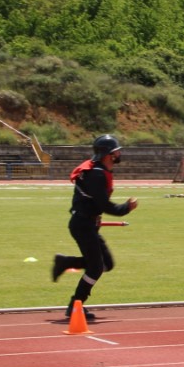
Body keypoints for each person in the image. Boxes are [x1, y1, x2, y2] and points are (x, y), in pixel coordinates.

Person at [51, 135, 137, 319]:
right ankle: (75, 305)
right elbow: (105, 205)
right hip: (83, 224)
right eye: (116, 151)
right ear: (108, 154)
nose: (119, 153)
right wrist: (126, 208)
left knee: (106, 263)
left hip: (87, 223)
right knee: (96, 268)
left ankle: (66, 262)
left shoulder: (97, 171)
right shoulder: (96, 174)